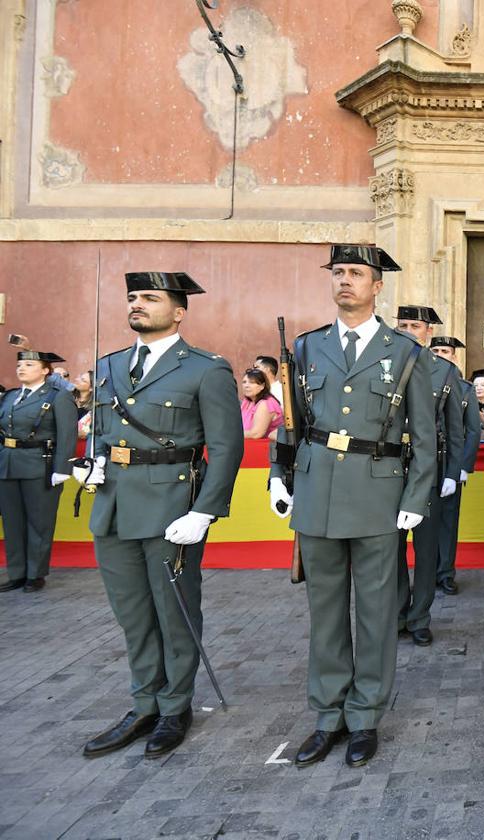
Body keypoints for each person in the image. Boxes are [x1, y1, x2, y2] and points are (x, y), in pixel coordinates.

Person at [268, 244, 435, 768]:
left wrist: (415, 497)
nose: (345, 281)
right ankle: (327, 714)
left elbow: (426, 440)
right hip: (317, 494)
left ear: (377, 285)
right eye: (338, 272)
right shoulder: (307, 347)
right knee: (325, 612)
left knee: (378, 613)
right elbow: (291, 425)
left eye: (356, 273)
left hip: (378, 496)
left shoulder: (406, 352)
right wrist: (280, 477)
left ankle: (365, 716)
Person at [80, 272, 243, 759]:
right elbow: (106, 434)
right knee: (133, 615)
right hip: (113, 506)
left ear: (178, 311)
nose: (138, 305)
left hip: (172, 508)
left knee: (174, 613)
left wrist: (204, 511)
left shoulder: (204, 369)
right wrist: (95, 464)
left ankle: (175, 707)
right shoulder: (108, 365)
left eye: (150, 298)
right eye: (133, 298)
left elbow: (227, 446)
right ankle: (144, 702)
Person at [393, 307, 464, 644]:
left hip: (428, 472)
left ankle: (420, 616)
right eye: (403, 324)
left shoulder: (445, 371)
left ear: (428, 332)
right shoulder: (384, 360)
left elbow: (455, 429)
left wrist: (452, 471)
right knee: (390, 550)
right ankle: (395, 614)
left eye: (415, 325)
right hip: (388, 471)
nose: (408, 330)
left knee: (425, 551)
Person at [0, 350, 77, 592]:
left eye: (29, 365)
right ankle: (17, 573)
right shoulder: (10, 396)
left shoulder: (58, 397)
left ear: (45, 370)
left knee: (39, 522)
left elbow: (67, 433)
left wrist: (63, 467)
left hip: (39, 464)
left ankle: (35, 573)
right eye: (20, 364)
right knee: (12, 522)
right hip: (9, 463)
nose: (21, 368)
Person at [430, 335, 481, 594]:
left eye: (445, 351)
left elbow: (472, 431)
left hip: (451, 461)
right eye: (436, 349)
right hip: (425, 462)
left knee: (448, 521)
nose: (440, 354)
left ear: (454, 356)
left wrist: (462, 466)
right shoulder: (420, 381)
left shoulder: (465, 388)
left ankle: (446, 573)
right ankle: (427, 573)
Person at [240, 367, 283, 439]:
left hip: (267, 448)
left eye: (252, 382)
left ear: (262, 386)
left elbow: (256, 434)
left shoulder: (266, 403)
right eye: (244, 382)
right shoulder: (247, 401)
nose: (246, 386)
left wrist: (227, 435)